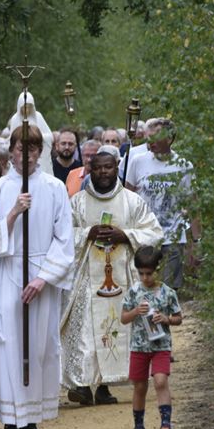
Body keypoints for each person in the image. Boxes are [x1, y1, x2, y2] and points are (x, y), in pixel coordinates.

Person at [0, 124, 74, 429]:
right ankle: (10, 421)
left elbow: (64, 240)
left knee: (38, 345)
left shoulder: (55, 188)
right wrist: (14, 213)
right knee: (6, 344)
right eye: (20, 149)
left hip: (41, 276)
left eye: (32, 150)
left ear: (40, 153)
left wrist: (42, 278)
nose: (26, 155)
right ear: (11, 151)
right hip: (6, 273)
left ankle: (30, 415)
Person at [60, 146, 164, 406]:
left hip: (122, 276)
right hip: (87, 277)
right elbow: (62, 236)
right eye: (98, 168)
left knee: (117, 327)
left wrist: (126, 235)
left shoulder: (132, 201)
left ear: (116, 168)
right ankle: (83, 385)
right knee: (86, 330)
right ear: (90, 170)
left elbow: (155, 232)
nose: (103, 172)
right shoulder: (77, 203)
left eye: (108, 167)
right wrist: (87, 234)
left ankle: (104, 386)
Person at [125, 118, 201, 289]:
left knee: (167, 290)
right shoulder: (138, 161)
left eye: (154, 137)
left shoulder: (183, 166)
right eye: (148, 137)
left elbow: (193, 205)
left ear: (169, 138)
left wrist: (196, 241)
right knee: (143, 287)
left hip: (172, 236)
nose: (149, 142)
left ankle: (167, 315)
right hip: (143, 235)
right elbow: (127, 197)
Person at [120, 246, 182, 429]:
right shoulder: (133, 292)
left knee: (161, 381)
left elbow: (178, 317)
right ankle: (138, 426)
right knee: (139, 386)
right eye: (141, 273)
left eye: (149, 273)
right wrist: (136, 311)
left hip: (161, 345)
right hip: (139, 347)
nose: (145, 277)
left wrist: (166, 319)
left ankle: (166, 424)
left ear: (158, 269)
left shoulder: (168, 293)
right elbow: (123, 318)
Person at [7, 91, 54, 176]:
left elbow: (50, 137)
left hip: (39, 157)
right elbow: (12, 140)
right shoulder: (15, 119)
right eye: (24, 107)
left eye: (29, 107)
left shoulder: (38, 117)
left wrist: (37, 138)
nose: (27, 110)